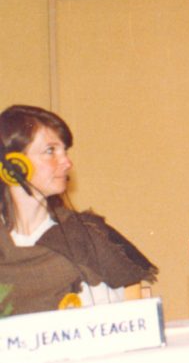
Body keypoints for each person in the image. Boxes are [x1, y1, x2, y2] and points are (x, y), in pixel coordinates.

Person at [0, 105, 157, 316]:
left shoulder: (88, 236)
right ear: (14, 166)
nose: (66, 162)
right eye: (50, 151)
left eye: (64, 151)